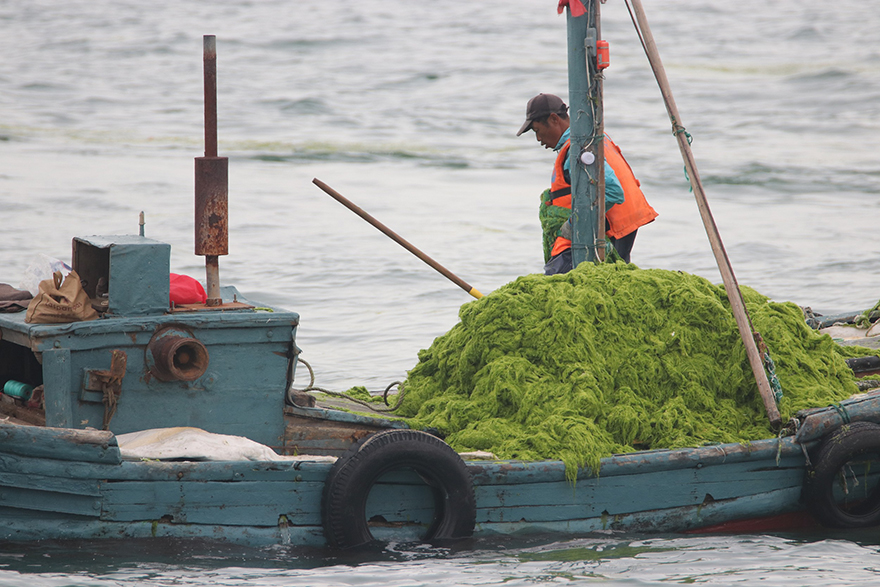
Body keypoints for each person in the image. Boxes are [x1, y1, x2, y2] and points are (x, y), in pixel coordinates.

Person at [517, 93, 657, 273]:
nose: (538, 139)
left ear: (553, 119)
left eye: (537, 131)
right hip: (625, 220)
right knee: (614, 276)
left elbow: (613, 192)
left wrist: (576, 223)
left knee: (567, 276)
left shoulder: (579, 149)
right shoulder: (593, 137)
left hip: (614, 225)